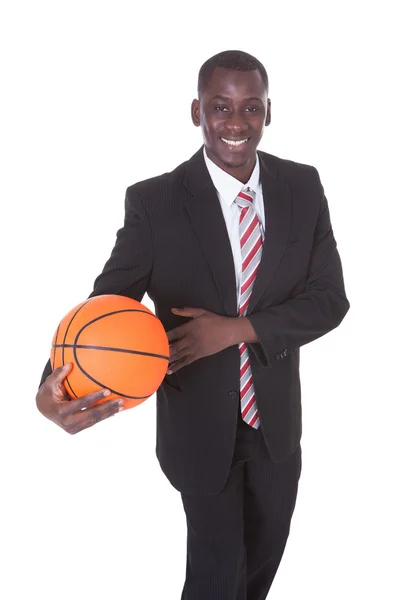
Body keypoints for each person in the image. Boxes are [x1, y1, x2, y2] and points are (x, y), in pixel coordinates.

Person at [36, 50, 350, 599]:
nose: (235, 121)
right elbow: (107, 302)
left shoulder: (302, 187)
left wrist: (236, 330)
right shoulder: (155, 202)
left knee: (260, 566)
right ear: (195, 112)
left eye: (250, 107)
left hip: (276, 425)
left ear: (269, 113)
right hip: (198, 428)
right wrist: (52, 386)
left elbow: (329, 300)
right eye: (220, 106)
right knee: (216, 570)